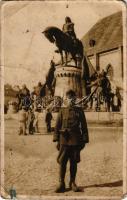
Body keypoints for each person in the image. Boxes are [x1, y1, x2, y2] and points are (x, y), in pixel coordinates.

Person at [53, 89, 89, 193]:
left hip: (76, 140)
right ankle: (61, 183)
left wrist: (84, 139)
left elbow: (84, 126)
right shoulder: (62, 110)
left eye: (72, 98)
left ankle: (72, 183)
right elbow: (57, 126)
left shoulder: (79, 111)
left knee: (74, 162)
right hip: (64, 140)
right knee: (62, 162)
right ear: (66, 99)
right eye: (69, 98)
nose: (71, 100)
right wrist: (56, 139)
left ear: (75, 99)